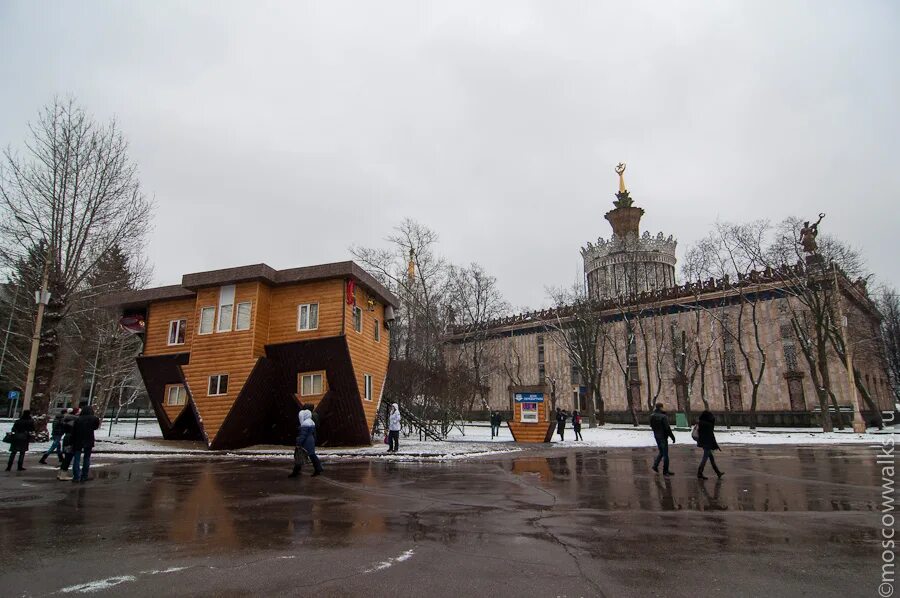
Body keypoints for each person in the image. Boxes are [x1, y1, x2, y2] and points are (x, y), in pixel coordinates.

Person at [288, 408, 323, 477]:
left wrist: (298, 443)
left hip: (306, 441)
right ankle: (318, 469)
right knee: (312, 455)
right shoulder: (311, 422)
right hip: (310, 440)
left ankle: (296, 472)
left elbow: (302, 435)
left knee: (299, 456)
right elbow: (314, 434)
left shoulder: (305, 424)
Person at [70, 405, 100, 483]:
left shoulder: (78, 419)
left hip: (78, 440)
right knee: (87, 458)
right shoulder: (95, 419)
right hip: (89, 439)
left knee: (77, 458)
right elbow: (95, 427)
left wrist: (72, 440)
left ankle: (76, 476)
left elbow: (74, 430)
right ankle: (84, 476)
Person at [696, 410, 724, 479]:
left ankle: (718, 472)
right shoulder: (708, 425)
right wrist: (715, 445)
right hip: (707, 443)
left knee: (711, 458)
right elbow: (711, 435)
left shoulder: (700, 423)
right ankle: (699, 472)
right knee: (705, 458)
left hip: (703, 442)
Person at [649, 402, 676, 476]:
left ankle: (655, 466)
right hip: (663, 436)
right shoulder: (663, 417)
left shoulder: (652, 416)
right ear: (661, 408)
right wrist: (672, 437)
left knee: (661, 452)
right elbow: (667, 428)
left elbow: (651, 426)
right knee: (665, 454)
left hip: (656, 436)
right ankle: (665, 470)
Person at [57, 408, 78, 480]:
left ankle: (60, 473)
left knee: (66, 457)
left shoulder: (65, 420)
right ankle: (63, 475)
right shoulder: (74, 421)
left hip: (66, 438)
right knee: (68, 457)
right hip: (71, 439)